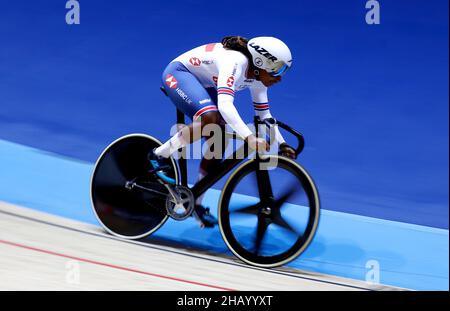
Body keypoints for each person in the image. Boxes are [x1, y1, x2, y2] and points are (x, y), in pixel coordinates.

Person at [149, 36, 297, 228]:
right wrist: (250, 138)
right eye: (278, 69)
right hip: (180, 73)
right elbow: (226, 106)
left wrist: (282, 143)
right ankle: (158, 155)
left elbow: (264, 115)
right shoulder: (235, 61)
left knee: (219, 140)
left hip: (205, 83)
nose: (279, 77)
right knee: (210, 119)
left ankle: (195, 204)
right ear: (261, 61)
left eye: (284, 70)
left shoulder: (259, 77)